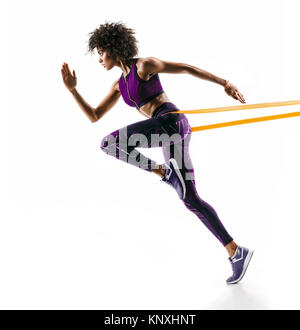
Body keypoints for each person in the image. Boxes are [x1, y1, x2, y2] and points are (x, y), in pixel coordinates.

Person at [61, 21, 253, 284]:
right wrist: (73, 91)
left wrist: (224, 83)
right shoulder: (119, 85)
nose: (99, 60)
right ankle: (235, 252)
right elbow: (95, 115)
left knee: (109, 143)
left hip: (171, 123)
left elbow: (186, 68)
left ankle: (164, 172)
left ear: (112, 48)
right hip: (169, 134)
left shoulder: (144, 65)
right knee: (190, 198)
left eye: (100, 53)